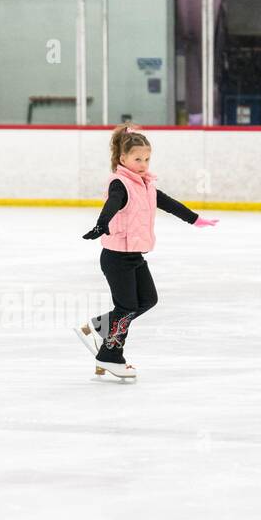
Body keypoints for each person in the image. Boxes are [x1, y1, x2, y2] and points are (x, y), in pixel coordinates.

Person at [74, 122, 219, 379]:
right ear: (123, 159)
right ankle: (110, 356)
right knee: (127, 307)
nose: (143, 163)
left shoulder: (146, 185)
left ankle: (98, 327)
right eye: (137, 158)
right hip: (117, 257)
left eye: (147, 159)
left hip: (135, 255)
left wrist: (195, 219)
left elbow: (170, 204)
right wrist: (102, 223)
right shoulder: (120, 184)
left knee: (147, 300)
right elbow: (113, 204)